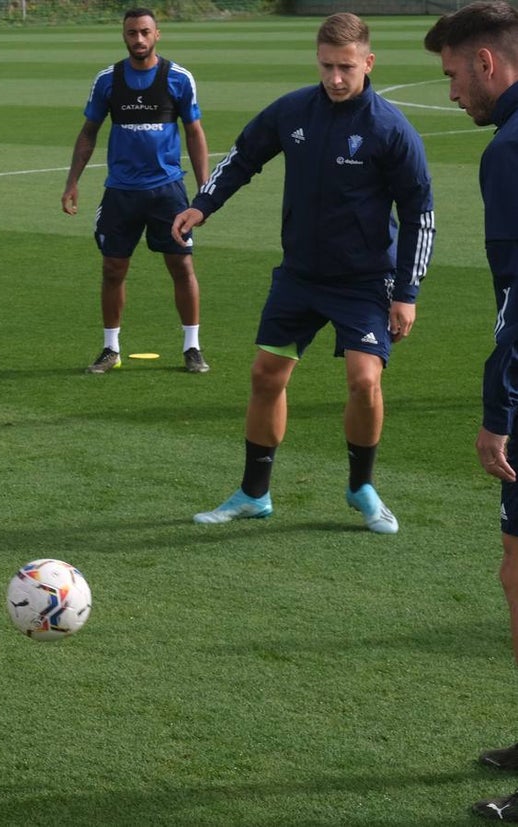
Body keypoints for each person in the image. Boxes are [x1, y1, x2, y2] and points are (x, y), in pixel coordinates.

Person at [174, 12, 435, 534]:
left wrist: (406, 293)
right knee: (266, 375)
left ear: (368, 62)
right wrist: (203, 204)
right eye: (326, 66)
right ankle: (254, 494)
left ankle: (361, 486)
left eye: (346, 67)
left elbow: (419, 214)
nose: (335, 78)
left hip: (365, 281)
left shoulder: (390, 129)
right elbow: (244, 156)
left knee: (364, 380)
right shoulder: (294, 111)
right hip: (300, 275)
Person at [425, 3, 518, 820]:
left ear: (487, 62)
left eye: (454, 73)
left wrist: (500, 409)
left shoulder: (511, 151)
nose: (451, 90)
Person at [62, 7, 211, 375]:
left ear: (157, 34)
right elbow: (89, 132)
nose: (139, 40)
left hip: (167, 192)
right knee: (113, 269)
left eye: (145, 32)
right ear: (124, 36)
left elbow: (194, 132)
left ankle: (192, 347)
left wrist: (205, 191)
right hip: (121, 193)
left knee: (181, 265)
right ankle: (110, 348)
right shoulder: (107, 80)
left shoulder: (178, 78)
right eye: (132, 33)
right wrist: (72, 181)